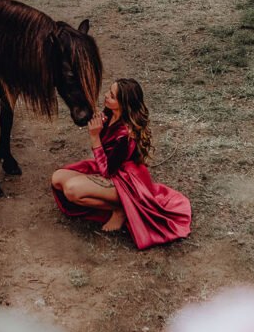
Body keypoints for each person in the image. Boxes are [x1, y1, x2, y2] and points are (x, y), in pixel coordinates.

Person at [50, 78, 191, 249]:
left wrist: (94, 137)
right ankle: (117, 205)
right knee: (57, 178)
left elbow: (107, 171)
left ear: (123, 104)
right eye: (109, 91)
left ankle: (120, 209)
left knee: (72, 190)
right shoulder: (110, 114)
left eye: (112, 96)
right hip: (111, 170)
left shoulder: (126, 135)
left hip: (126, 180)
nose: (106, 96)